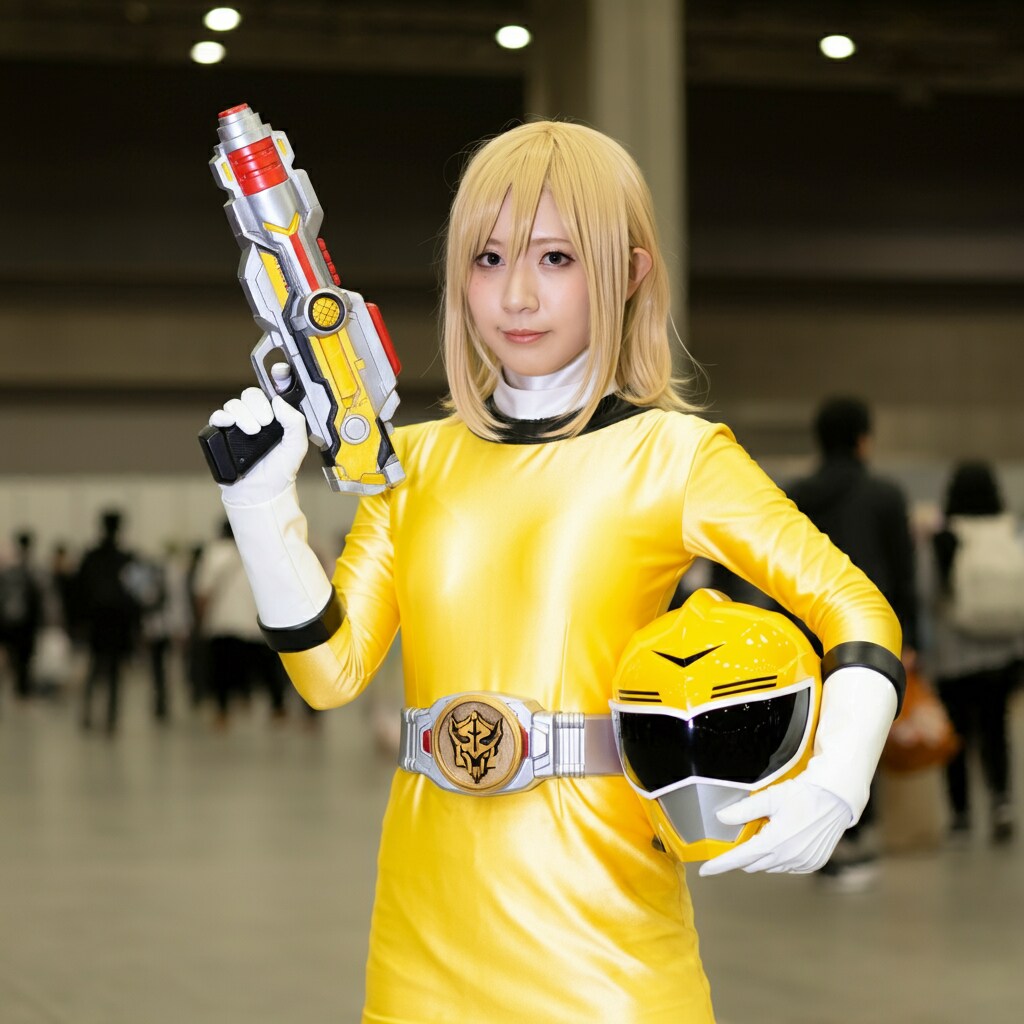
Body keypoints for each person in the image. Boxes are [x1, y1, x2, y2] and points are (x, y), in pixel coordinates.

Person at [206, 121, 904, 1022]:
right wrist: (260, 509)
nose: (518, 295)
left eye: (557, 257)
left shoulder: (673, 456)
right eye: (488, 258)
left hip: (606, 941)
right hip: (421, 939)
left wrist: (839, 778)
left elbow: (856, 607)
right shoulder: (410, 464)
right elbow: (330, 674)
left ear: (630, 272)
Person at [787, 395, 919, 885]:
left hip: (807, 635)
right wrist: (910, 640)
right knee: (863, 729)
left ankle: (819, 841)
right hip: (870, 635)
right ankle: (852, 835)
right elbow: (904, 576)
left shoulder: (797, 495)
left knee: (812, 734)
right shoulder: (886, 496)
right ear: (864, 439)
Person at [930, 461, 1019, 844]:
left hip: (955, 655)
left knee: (958, 734)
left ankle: (961, 815)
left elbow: (930, 593)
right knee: (996, 728)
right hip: (1003, 652)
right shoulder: (1009, 531)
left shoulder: (944, 537)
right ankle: (1001, 801)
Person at [77, 511, 140, 734]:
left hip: (97, 622)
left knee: (94, 668)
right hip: (119, 623)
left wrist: (80, 622)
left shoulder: (91, 557)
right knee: (113, 673)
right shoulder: (126, 558)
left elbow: (79, 592)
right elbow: (135, 594)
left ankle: (87, 714)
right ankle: (110, 718)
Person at [0, 531, 44, 700]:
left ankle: (20, 689)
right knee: (23, 659)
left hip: (11, 622)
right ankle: (21, 691)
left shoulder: (11, 569)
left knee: (16, 658)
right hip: (23, 623)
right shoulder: (32, 569)